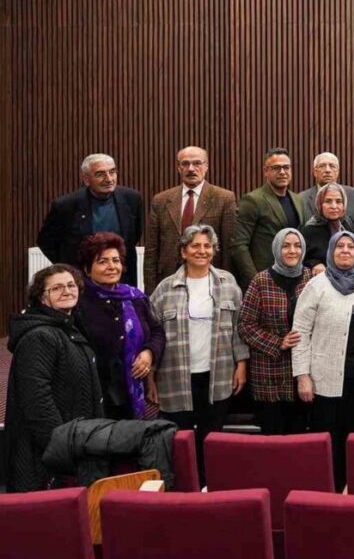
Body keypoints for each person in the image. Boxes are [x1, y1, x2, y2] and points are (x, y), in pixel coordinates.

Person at [149, 225, 248, 475]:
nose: (201, 251)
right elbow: (153, 335)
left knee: (211, 438)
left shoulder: (228, 283)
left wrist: (242, 365)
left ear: (213, 251)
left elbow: (239, 328)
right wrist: (150, 378)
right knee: (179, 439)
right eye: (195, 246)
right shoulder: (165, 288)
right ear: (183, 251)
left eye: (207, 246)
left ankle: (207, 486)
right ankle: (182, 487)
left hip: (217, 375)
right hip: (175, 377)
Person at [5, 265, 104, 492]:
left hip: (73, 445)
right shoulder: (39, 336)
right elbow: (37, 402)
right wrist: (63, 450)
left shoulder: (67, 328)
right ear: (42, 297)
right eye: (57, 288)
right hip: (46, 456)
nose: (67, 291)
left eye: (71, 285)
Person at [292, 231, 354, 487]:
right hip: (325, 378)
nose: (345, 250)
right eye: (339, 246)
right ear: (331, 252)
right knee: (330, 441)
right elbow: (300, 333)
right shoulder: (316, 285)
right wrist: (302, 376)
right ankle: (329, 492)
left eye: (350, 246)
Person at [75, 232, 164, 420]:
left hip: (130, 389)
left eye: (116, 260)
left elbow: (157, 331)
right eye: (102, 261)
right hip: (95, 391)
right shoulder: (78, 302)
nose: (111, 267)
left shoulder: (136, 297)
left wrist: (149, 353)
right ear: (87, 269)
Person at [238, 228, 311, 435]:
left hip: (302, 374)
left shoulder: (311, 279)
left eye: (297, 246)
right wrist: (278, 342)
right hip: (269, 374)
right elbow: (245, 325)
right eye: (286, 246)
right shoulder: (260, 281)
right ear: (276, 249)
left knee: (300, 438)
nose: (292, 251)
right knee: (272, 438)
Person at [37, 153, 144, 286]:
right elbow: (46, 241)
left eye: (112, 172)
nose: (109, 179)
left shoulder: (132, 199)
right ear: (86, 179)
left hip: (122, 277)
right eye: (100, 174)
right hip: (82, 280)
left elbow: (134, 235)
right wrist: (71, 266)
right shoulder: (66, 205)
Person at [145, 146, 238, 290]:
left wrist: (225, 284)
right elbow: (151, 250)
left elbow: (228, 247)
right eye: (185, 164)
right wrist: (150, 291)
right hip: (167, 280)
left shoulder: (224, 198)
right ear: (178, 168)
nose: (191, 168)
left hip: (209, 279)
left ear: (206, 166)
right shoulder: (161, 200)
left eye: (197, 163)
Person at [229, 147, 306, 290]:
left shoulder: (297, 200)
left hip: (293, 280)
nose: (282, 172)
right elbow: (239, 245)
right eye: (276, 168)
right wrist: (256, 280)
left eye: (286, 167)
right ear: (266, 171)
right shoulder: (252, 200)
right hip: (264, 280)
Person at [300, 152, 354, 232]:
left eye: (332, 166)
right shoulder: (302, 198)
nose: (327, 170)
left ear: (337, 171)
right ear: (315, 172)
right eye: (322, 166)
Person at [302, 183, 354, 273]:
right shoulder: (309, 230)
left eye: (338, 201)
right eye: (328, 201)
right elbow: (301, 258)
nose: (334, 206)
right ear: (320, 204)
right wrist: (314, 263)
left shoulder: (351, 226)